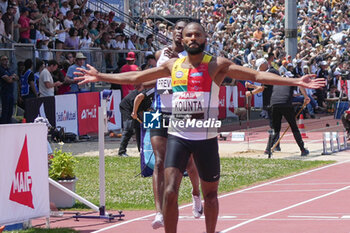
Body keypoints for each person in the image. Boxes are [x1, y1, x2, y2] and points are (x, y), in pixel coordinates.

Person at [74, 22, 325, 233]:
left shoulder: (216, 64)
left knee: (211, 196)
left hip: (205, 139)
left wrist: (293, 80)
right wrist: (102, 77)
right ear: (182, 40)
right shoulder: (173, 65)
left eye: (198, 34)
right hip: (178, 137)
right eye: (189, 35)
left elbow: (255, 76)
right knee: (170, 191)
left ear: (205, 38)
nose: (193, 38)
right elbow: (137, 77)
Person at [144, 19, 203, 229]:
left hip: (183, 111)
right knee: (159, 162)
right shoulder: (160, 55)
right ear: (172, 32)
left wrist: (176, 64)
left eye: (184, 30)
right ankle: (159, 212)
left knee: (189, 163)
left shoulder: (194, 56)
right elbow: (146, 81)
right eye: (177, 29)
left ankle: (196, 194)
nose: (180, 33)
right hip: (157, 110)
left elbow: (193, 82)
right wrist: (164, 73)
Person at [265, 71, 311, 158]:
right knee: (294, 127)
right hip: (285, 104)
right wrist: (306, 97)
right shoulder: (290, 81)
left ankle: (267, 149)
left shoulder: (277, 82)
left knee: (275, 128)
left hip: (274, 104)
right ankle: (302, 149)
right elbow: (300, 85)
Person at [118, 88, 155, 157]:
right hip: (128, 106)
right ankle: (121, 151)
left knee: (139, 128)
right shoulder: (153, 89)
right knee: (129, 128)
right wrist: (134, 112)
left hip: (139, 107)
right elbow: (139, 97)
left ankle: (141, 150)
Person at [0, 55, 18, 124]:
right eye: (4, 59)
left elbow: (16, 78)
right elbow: (8, 80)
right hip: (5, 92)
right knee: (5, 110)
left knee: (10, 111)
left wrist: (12, 78)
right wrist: (12, 78)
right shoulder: (1, 69)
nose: (6, 60)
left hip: (11, 92)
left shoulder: (9, 69)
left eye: (7, 59)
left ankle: (9, 123)